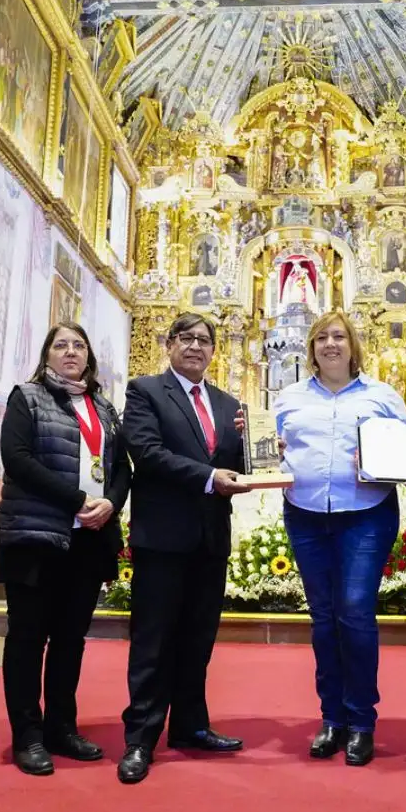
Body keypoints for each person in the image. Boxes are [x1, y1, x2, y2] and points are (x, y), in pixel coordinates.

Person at [117, 312, 252, 784]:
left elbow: (234, 465)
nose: (196, 346)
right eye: (187, 338)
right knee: (154, 642)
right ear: (170, 343)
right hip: (163, 538)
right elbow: (147, 453)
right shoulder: (145, 391)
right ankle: (140, 738)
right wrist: (210, 478)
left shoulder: (228, 402)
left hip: (210, 539)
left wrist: (257, 448)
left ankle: (191, 725)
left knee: (198, 640)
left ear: (214, 350)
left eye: (204, 340)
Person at [0, 322, 130, 776]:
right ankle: (27, 736)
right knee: (29, 639)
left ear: (88, 357)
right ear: (47, 355)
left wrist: (111, 502)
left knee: (70, 641)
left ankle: (62, 727)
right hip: (36, 537)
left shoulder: (103, 408)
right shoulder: (26, 398)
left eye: (78, 345)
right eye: (61, 345)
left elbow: (121, 467)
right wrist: (76, 500)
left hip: (88, 539)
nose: (70, 352)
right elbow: (18, 459)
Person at [273, 311, 406, 766]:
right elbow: (279, 446)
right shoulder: (289, 397)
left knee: (354, 613)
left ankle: (362, 722)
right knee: (324, 618)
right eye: (322, 338)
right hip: (306, 514)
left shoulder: (382, 395)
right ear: (311, 348)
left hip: (365, 515)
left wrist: (386, 461)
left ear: (353, 345)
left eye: (339, 337)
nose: (330, 345)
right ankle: (331, 718)